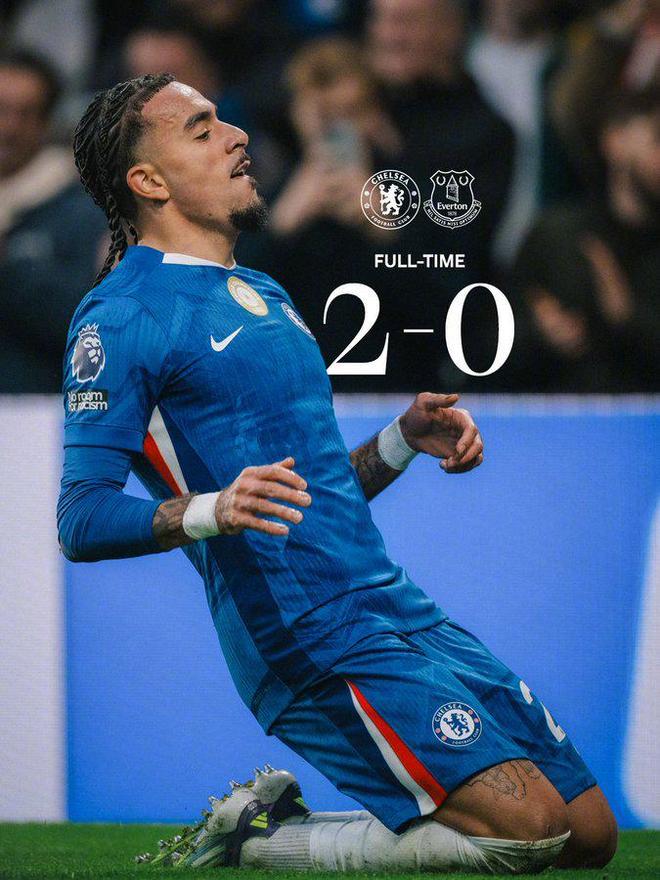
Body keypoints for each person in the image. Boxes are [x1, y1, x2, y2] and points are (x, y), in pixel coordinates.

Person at [57, 74, 617, 872]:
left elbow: (312, 495)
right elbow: (79, 518)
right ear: (148, 181)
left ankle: (269, 823)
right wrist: (214, 508)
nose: (236, 136)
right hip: (305, 633)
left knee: (589, 835)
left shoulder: (261, 290)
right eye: (201, 129)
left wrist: (400, 441)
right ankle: (258, 843)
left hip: (392, 606)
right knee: (526, 831)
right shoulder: (121, 315)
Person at [512, 88, 660, 391]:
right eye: (658, 138)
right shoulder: (556, 236)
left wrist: (629, 319)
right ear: (615, 140)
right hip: (562, 414)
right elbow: (485, 346)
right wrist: (540, 333)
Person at [0, 49, 106, 393]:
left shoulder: (83, 211)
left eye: (26, 113)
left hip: (36, 406)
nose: (9, 128)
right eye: (1, 110)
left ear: (46, 123)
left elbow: (91, 323)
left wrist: (9, 268)